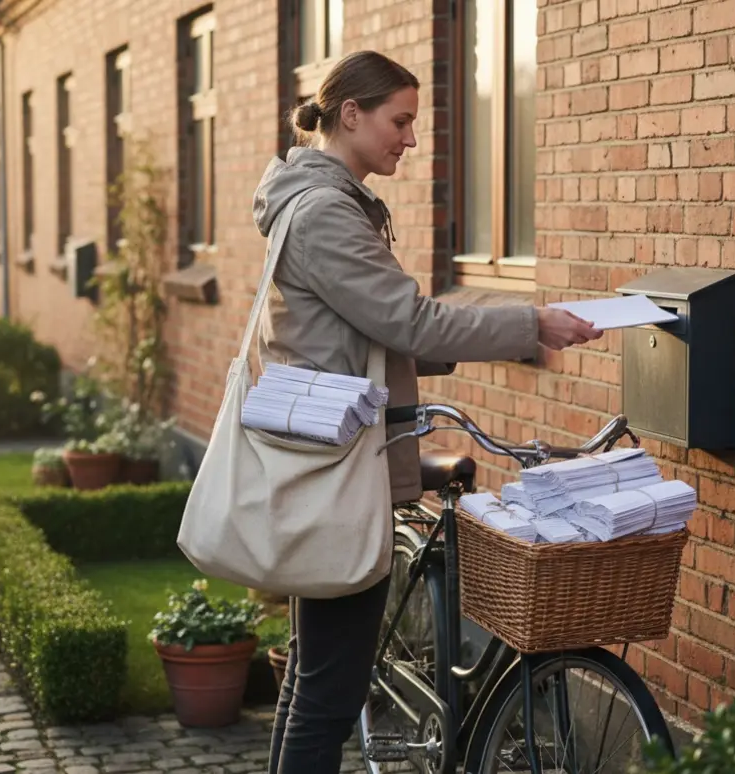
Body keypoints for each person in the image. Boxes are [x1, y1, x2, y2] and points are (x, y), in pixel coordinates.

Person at [251, 50, 601, 774]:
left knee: (312, 686)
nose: (410, 139)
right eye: (400, 121)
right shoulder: (324, 214)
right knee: (328, 694)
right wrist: (531, 324)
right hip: (342, 476)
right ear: (350, 115)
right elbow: (410, 322)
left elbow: (380, 330)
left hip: (330, 463)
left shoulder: (320, 202)